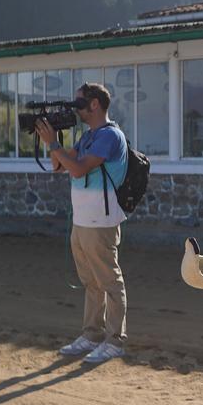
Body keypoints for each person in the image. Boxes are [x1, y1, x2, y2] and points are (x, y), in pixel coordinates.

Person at [36, 82, 130, 365]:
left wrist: (54, 143)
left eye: (79, 103)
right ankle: (92, 334)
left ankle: (115, 341)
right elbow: (59, 166)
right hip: (82, 221)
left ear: (94, 104)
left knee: (109, 281)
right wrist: (52, 141)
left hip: (101, 222)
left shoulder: (110, 136)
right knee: (91, 282)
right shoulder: (89, 136)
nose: (75, 109)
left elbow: (78, 170)